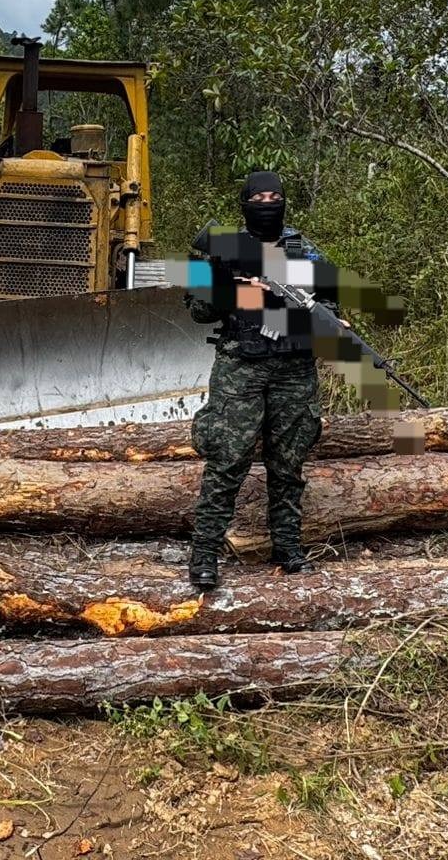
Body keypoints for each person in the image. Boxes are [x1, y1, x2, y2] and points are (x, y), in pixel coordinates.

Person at [184, 171, 331, 590]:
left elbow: (329, 302)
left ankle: (287, 549)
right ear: (245, 202)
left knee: (288, 464)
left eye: (275, 196)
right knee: (227, 461)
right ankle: (205, 555)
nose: (268, 202)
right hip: (240, 369)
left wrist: (331, 318)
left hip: (294, 369)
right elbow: (198, 309)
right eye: (260, 196)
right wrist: (246, 294)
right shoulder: (217, 251)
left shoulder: (304, 252)